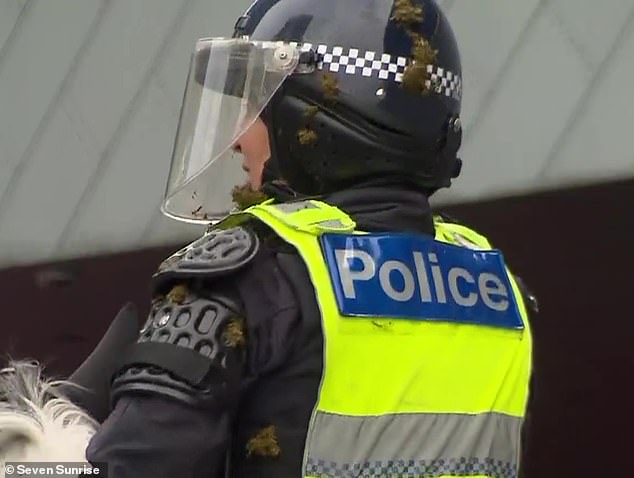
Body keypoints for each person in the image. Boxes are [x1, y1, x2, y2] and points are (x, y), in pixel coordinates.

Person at [82, 1, 537, 477]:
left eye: (257, 105)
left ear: (314, 114)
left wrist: (31, 454)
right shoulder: (501, 294)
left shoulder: (247, 285)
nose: (238, 138)